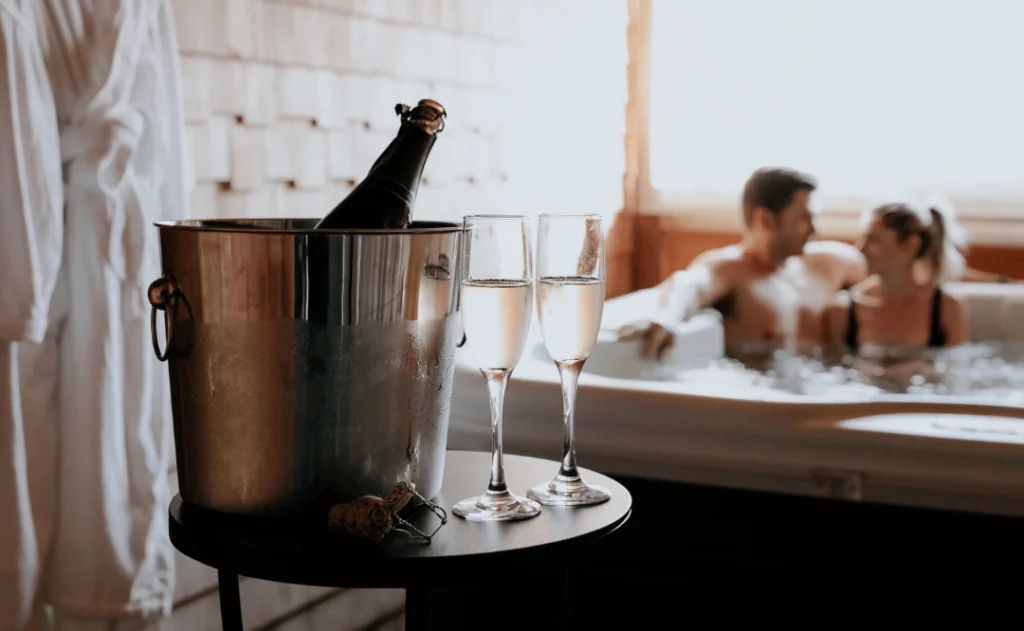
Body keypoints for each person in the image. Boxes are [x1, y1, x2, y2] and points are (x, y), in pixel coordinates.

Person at [638, 167, 866, 359]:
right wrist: (666, 317)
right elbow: (689, 284)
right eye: (803, 219)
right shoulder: (731, 269)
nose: (815, 229)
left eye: (814, 218)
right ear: (765, 220)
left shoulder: (829, 263)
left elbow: (884, 272)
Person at [822, 202, 967, 352]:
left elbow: (954, 369)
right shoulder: (842, 310)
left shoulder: (946, 307)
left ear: (911, 245)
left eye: (873, 239)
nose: (861, 248)